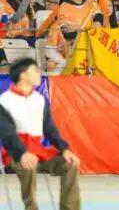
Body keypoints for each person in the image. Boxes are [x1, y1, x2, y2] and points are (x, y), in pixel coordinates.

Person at [0, 59, 81, 210]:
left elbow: (50, 129)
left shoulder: (40, 100)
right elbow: (7, 134)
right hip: (15, 154)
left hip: (39, 151)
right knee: (29, 164)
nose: (39, 73)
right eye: (35, 70)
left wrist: (64, 149)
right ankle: (31, 207)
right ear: (23, 75)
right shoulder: (4, 101)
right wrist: (22, 154)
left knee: (70, 163)